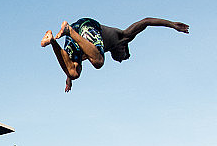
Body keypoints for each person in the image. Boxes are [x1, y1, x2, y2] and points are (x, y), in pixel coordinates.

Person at [40, 17, 189, 92]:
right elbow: (146, 21)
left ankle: (52, 40)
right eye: (122, 57)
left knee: (74, 73)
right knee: (98, 62)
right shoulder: (124, 36)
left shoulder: (93, 49)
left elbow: (75, 61)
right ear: (125, 48)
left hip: (77, 33)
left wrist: (68, 78)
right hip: (87, 26)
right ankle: (68, 31)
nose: (118, 60)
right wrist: (172, 25)